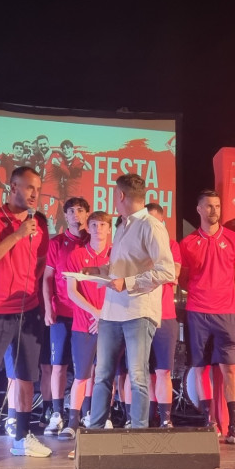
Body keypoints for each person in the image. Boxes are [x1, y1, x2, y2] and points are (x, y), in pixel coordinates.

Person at [0, 166, 51, 461]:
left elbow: (40, 264)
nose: (35, 194)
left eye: (38, 189)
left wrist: (29, 289)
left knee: (25, 378)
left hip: (28, 311)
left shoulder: (38, 224)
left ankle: (22, 437)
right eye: (29, 187)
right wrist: (17, 235)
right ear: (13, 187)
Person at [85, 173, 174, 430]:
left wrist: (129, 282)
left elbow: (167, 271)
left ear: (121, 195)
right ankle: (95, 431)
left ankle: (138, 432)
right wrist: (99, 270)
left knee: (137, 376)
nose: (114, 199)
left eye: (115, 194)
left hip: (138, 311)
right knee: (102, 374)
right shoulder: (123, 226)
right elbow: (122, 267)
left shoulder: (151, 225)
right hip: (111, 311)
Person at [179, 189, 235, 445]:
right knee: (200, 367)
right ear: (199, 209)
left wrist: (222, 298)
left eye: (217, 206)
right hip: (197, 312)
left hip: (225, 314)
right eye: (208, 206)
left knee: (230, 368)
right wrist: (203, 294)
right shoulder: (187, 243)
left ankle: (234, 425)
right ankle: (209, 421)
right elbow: (184, 280)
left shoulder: (234, 240)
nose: (214, 211)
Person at [41, 197, 90, 436]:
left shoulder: (93, 241)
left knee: (87, 368)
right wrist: (48, 308)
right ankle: (57, 413)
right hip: (61, 313)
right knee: (58, 365)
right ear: (65, 215)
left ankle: (86, 413)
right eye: (71, 211)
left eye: (80, 210)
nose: (75, 215)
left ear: (87, 214)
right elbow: (47, 278)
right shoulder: (57, 243)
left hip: (87, 314)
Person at [64, 211, 113, 437]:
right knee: (82, 375)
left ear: (109, 229)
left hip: (110, 325)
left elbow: (123, 290)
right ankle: (73, 423)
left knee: (105, 376)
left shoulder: (116, 255)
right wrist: (96, 313)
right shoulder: (76, 255)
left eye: (102, 225)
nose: (98, 229)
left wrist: (105, 316)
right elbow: (71, 292)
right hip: (84, 325)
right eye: (94, 224)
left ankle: (103, 418)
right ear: (88, 228)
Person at [146, 203, 181, 428]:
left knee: (163, 370)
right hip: (140, 314)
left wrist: (148, 274)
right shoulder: (136, 245)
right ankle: (149, 417)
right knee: (143, 372)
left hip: (165, 315)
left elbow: (174, 273)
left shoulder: (171, 245)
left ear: (162, 223)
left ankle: (165, 418)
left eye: (155, 221)